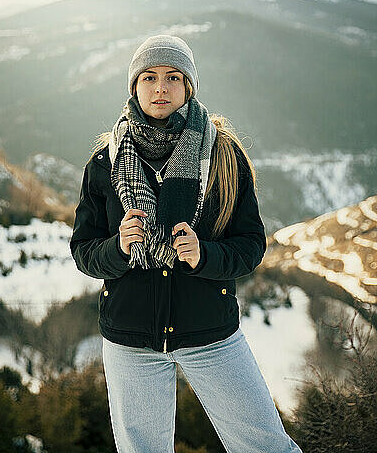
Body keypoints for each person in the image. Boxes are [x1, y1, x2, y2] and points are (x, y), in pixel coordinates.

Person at [69, 34, 303, 453]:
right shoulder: (105, 161)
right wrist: (118, 248)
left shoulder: (224, 156)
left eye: (173, 77)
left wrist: (205, 256)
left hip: (210, 333)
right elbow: (84, 251)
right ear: (134, 87)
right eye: (149, 77)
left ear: (188, 86)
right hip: (130, 340)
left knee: (265, 445)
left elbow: (251, 245)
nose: (161, 88)